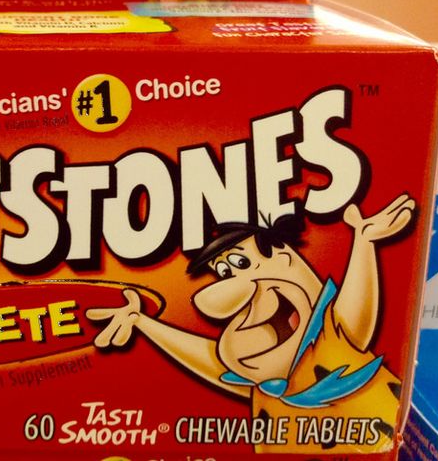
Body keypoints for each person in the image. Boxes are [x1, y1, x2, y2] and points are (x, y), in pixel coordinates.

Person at [87, 194, 416, 454]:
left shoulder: (330, 336)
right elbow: (211, 361)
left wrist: (364, 242)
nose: (230, 283)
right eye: (224, 272)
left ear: (283, 258)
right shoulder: (263, 379)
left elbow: (355, 314)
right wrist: (143, 322)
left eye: (241, 263)